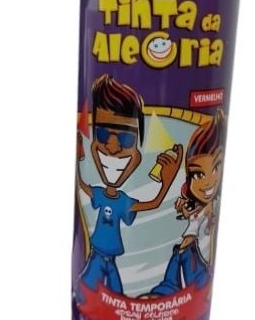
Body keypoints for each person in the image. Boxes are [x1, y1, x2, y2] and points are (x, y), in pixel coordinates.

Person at [77, 74, 183, 294]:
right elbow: (83, 186)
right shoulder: (99, 193)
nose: (113, 148)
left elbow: (152, 204)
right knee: (88, 290)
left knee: (114, 291)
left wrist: (168, 181)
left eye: (126, 138)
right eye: (102, 134)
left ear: (138, 152)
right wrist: (78, 157)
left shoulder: (123, 200)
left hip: (111, 259)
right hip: (96, 256)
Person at [150, 109, 226, 296]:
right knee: (169, 285)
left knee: (196, 286)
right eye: (198, 174)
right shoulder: (196, 207)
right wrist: (182, 207)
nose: (208, 182)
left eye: (216, 167)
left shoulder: (209, 207)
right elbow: (189, 215)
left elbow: (207, 220)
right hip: (181, 252)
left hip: (192, 253)